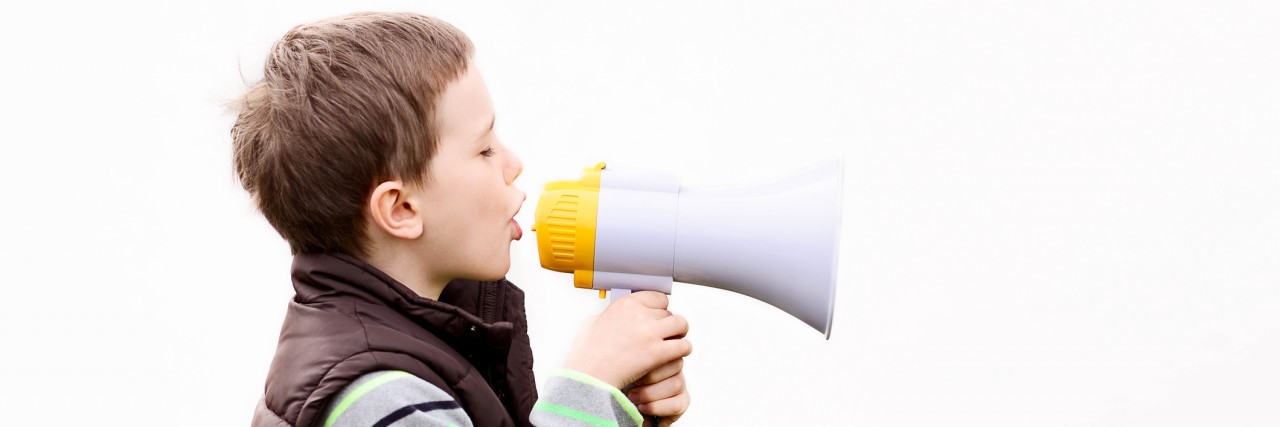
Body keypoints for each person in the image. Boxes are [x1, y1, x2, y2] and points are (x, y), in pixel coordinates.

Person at [230, 11, 691, 427]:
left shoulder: (419, 348)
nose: (513, 163)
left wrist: (618, 409)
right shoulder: (384, 400)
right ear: (401, 209)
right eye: (485, 149)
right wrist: (585, 394)